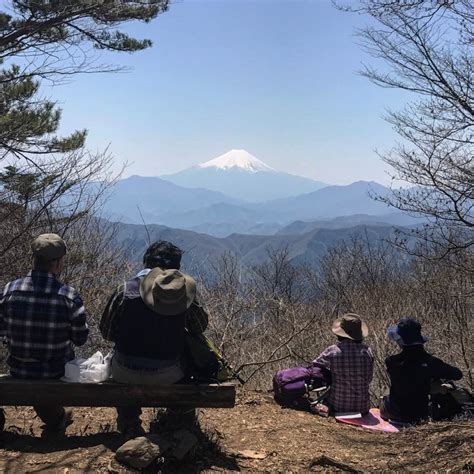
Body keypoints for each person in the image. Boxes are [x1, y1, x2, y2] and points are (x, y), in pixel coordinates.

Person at [100, 240, 208, 437]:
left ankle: (129, 421)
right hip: (170, 374)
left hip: (124, 371)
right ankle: (180, 421)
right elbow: (199, 328)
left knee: (123, 360)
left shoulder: (124, 290)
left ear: (145, 262)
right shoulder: (182, 294)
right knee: (189, 364)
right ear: (177, 268)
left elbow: (106, 332)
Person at [0, 233, 89, 435]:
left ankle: (57, 420)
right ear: (57, 264)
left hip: (19, 368)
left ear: (33, 260)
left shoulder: (9, 290)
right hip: (56, 371)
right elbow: (80, 339)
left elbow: (2, 329)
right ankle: (57, 420)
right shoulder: (68, 296)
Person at [381, 317, 463, 424]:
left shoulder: (391, 361)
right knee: (436, 385)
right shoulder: (432, 362)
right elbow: (457, 374)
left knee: (388, 394)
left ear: (401, 340)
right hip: (419, 415)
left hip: (393, 412)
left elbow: (409, 377)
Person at [313, 313, 374, 415]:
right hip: (363, 408)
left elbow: (315, 367)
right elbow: (368, 379)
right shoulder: (368, 351)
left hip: (338, 406)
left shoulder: (333, 350)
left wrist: (329, 376)